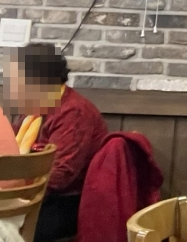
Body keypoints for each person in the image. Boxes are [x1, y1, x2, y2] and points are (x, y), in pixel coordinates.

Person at [3, 44, 108, 242]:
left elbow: (60, 175)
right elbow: (11, 151)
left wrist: (14, 188)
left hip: (66, 205)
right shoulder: (35, 107)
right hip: (36, 197)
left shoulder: (74, 111)